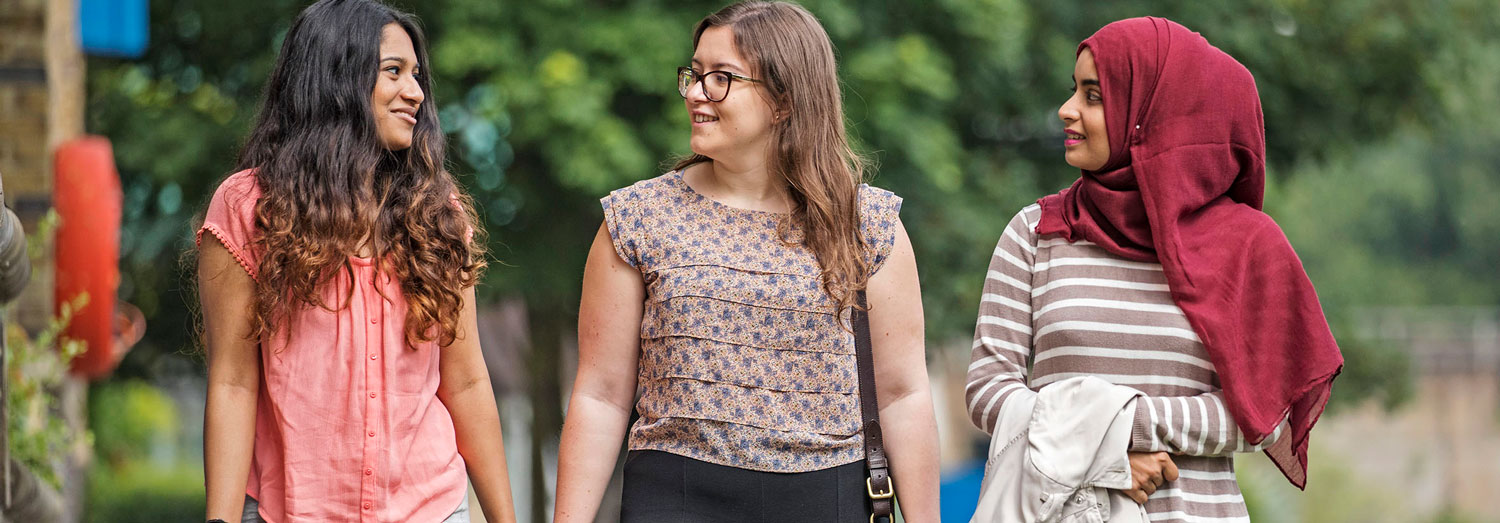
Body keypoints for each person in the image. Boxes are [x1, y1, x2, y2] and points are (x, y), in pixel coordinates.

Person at [553, 2, 940, 522]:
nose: (696, 93)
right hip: (675, 500)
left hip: (829, 500)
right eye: (694, 74)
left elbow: (902, 396)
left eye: (721, 78)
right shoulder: (637, 219)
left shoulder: (867, 223)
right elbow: (601, 397)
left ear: (784, 100)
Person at [966, 16, 1343, 520]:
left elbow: (1264, 415)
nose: (1066, 110)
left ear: (1154, 115)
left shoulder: (1247, 249)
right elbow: (988, 391)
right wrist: (1105, 457)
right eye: (1073, 90)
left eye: (1093, 96)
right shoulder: (1037, 232)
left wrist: (1122, 424)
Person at [197, 1, 516, 521]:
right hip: (288, 508)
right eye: (394, 71)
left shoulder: (437, 213)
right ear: (336, 79)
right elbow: (232, 382)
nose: (416, 93)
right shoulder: (249, 208)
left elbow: (466, 382)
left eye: (417, 75)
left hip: (429, 507)